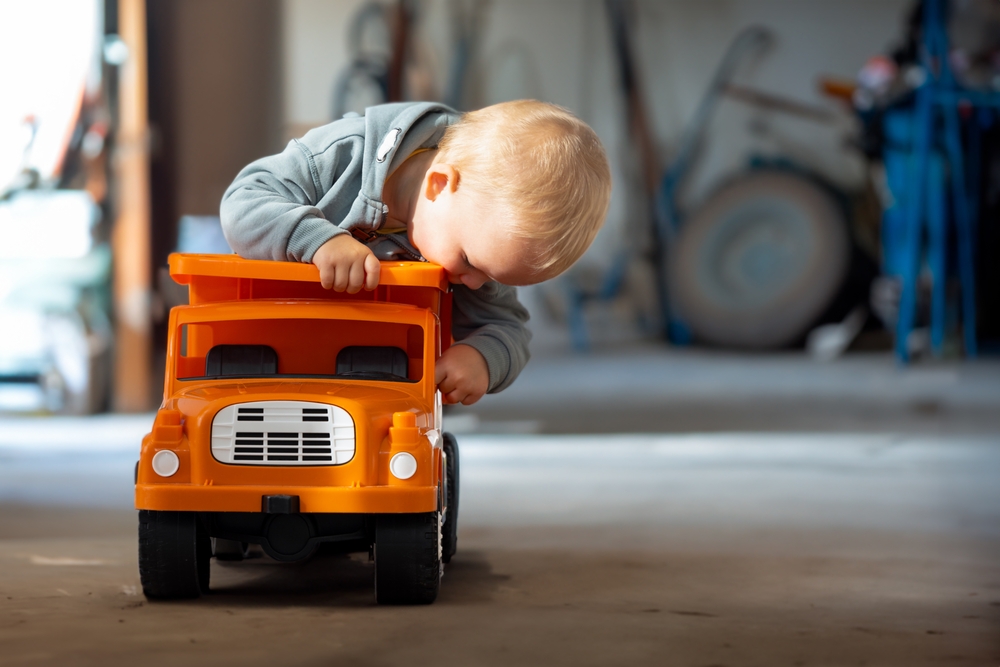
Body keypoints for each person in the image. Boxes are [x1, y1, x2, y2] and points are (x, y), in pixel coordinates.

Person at [220, 99, 611, 406]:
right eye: (472, 264)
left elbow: (510, 329)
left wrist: (482, 358)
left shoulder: (477, 239)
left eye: (492, 278)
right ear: (440, 186)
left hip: (378, 382)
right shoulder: (341, 155)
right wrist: (318, 240)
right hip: (272, 354)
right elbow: (242, 201)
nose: (474, 283)